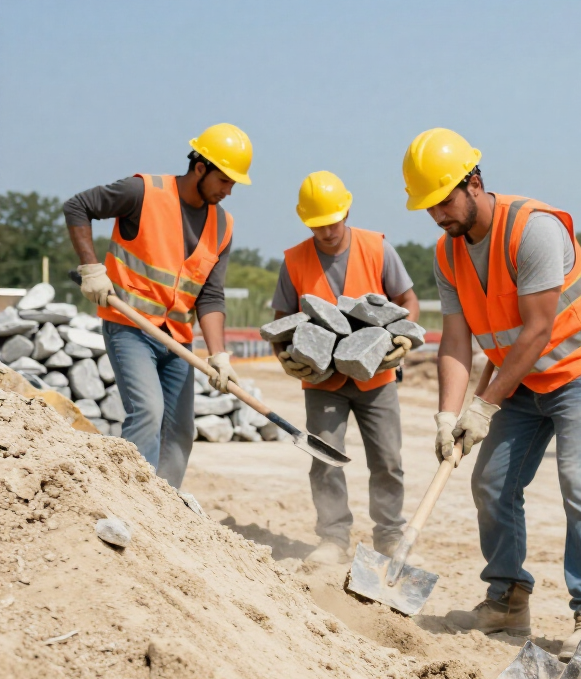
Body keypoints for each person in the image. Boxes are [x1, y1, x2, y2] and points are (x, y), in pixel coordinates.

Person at [402, 127, 581, 658]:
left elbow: (538, 330)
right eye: (428, 206)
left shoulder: (533, 231)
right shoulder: (447, 253)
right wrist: (447, 414)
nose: (438, 215)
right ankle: (506, 600)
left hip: (580, 366)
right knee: (492, 482)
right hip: (521, 377)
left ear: (474, 181)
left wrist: (484, 406)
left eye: (444, 200)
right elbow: (455, 340)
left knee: (580, 484)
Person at [64, 123, 251, 489]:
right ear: (201, 168)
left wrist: (219, 355)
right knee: (148, 413)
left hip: (177, 340)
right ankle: (135, 502)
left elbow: (210, 296)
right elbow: (78, 206)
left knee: (181, 431)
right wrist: (91, 267)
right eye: (225, 181)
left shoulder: (223, 226)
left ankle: (164, 517)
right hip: (129, 327)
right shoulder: (142, 191)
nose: (229, 191)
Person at [271, 171, 419, 566]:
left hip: (377, 378)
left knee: (387, 459)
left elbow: (408, 301)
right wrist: (284, 357)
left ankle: (388, 536)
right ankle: (333, 538)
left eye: (333, 222)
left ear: (347, 209)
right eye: (318, 225)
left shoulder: (377, 248)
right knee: (324, 457)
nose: (327, 231)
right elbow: (281, 320)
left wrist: (399, 342)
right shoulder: (295, 260)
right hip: (322, 382)